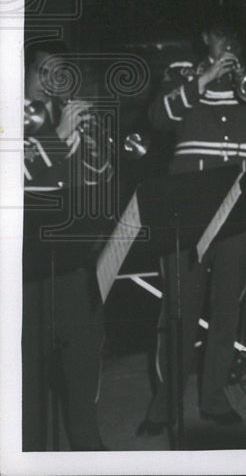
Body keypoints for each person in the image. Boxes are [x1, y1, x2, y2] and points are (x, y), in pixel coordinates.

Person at [137, 15, 246, 435]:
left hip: (240, 210)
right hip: (186, 210)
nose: (228, 46)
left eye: (234, 38)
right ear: (206, 38)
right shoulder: (181, 74)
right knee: (179, 311)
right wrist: (201, 82)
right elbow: (158, 118)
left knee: (227, 309)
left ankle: (214, 398)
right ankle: (164, 406)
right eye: (222, 36)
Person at [22, 39, 110, 451]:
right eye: (42, 71)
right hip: (23, 264)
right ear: (23, 73)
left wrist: (92, 143)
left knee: (82, 360)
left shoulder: (66, 118)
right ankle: (30, 451)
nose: (49, 81)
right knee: (28, 370)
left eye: (58, 73)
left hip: (73, 256)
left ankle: (86, 444)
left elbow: (96, 181)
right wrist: (57, 138)